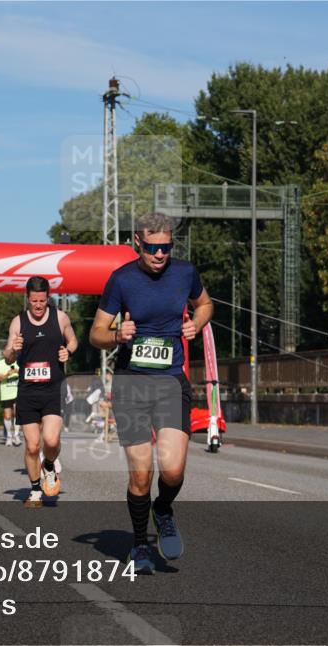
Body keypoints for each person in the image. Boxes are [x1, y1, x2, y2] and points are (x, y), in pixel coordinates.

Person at [89, 212, 213, 574]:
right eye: (153, 248)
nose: (161, 254)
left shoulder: (185, 273)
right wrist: (116, 335)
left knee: (172, 471)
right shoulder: (121, 280)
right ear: (137, 244)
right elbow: (96, 332)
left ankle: (163, 509)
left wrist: (196, 323)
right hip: (131, 384)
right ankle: (140, 544)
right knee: (141, 474)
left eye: (167, 247)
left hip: (171, 381)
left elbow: (205, 304)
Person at [3, 276, 78, 507]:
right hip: (27, 392)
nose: (38, 306)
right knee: (33, 445)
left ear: (48, 298)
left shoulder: (60, 317)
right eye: (34, 301)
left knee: (51, 440)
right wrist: (12, 351)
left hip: (53, 389)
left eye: (42, 301)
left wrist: (68, 351)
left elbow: (74, 341)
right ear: (28, 298)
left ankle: (49, 465)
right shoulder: (18, 322)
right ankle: (35, 490)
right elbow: (7, 357)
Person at [0, 352, 20, 446]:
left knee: (18, 413)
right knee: (7, 416)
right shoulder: (0, 363)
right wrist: (8, 374)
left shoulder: (19, 362)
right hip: (6, 394)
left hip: (18, 392)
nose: (10, 356)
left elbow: (26, 374)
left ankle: (16, 435)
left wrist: (18, 371)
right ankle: (9, 436)